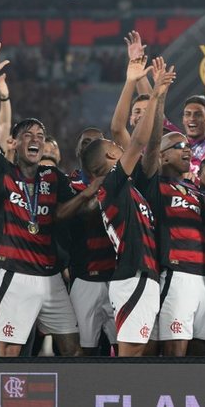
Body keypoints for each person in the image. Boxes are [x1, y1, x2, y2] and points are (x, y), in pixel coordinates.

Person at [0, 41, 96, 357]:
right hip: (15, 273)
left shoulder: (54, 178)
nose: (36, 140)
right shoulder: (1, 170)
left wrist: (88, 194)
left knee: (73, 349)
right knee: (9, 354)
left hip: (51, 276)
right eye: (28, 135)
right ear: (14, 143)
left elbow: (63, 213)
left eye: (40, 137)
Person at [80, 56, 176, 357]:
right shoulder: (111, 185)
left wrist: (155, 101)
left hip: (142, 276)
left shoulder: (127, 187)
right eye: (114, 149)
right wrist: (153, 93)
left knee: (138, 360)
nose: (119, 149)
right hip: (133, 275)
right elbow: (135, 144)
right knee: (129, 361)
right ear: (108, 161)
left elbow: (148, 149)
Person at [139, 126, 205, 356]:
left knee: (202, 350)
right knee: (176, 351)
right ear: (162, 155)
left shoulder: (195, 190)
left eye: (189, 147)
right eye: (179, 146)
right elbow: (150, 150)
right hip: (176, 275)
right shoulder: (152, 185)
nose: (187, 151)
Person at [67, 127, 118, 355]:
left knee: (122, 347)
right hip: (84, 276)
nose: (90, 146)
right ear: (78, 149)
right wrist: (93, 191)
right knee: (83, 349)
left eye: (97, 142)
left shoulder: (119, 183)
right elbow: (73, 218)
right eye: (86, 142)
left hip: (117, 279)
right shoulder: (70, 184)